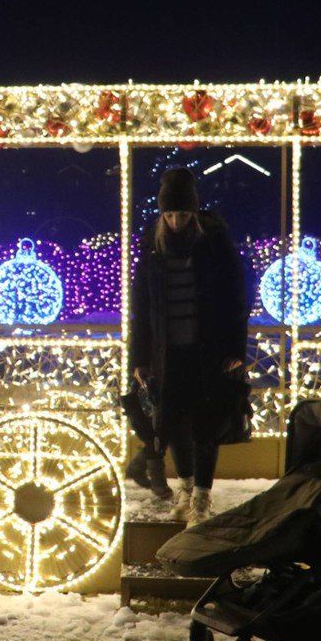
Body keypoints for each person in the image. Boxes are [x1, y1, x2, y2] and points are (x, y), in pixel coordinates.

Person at [128, 168, 250, 523]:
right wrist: (140, 358)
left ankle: (201, 497)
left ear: (193, 212)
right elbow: (142, 308)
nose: (176, 222)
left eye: (182, 214)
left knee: (205, 425)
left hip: (206, 350)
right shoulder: (153, 246)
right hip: (168, 352)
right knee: (174, 423)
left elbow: (235, 300)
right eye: (170, 215)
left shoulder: (213, 242)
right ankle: (185, 490)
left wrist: (234, 350)